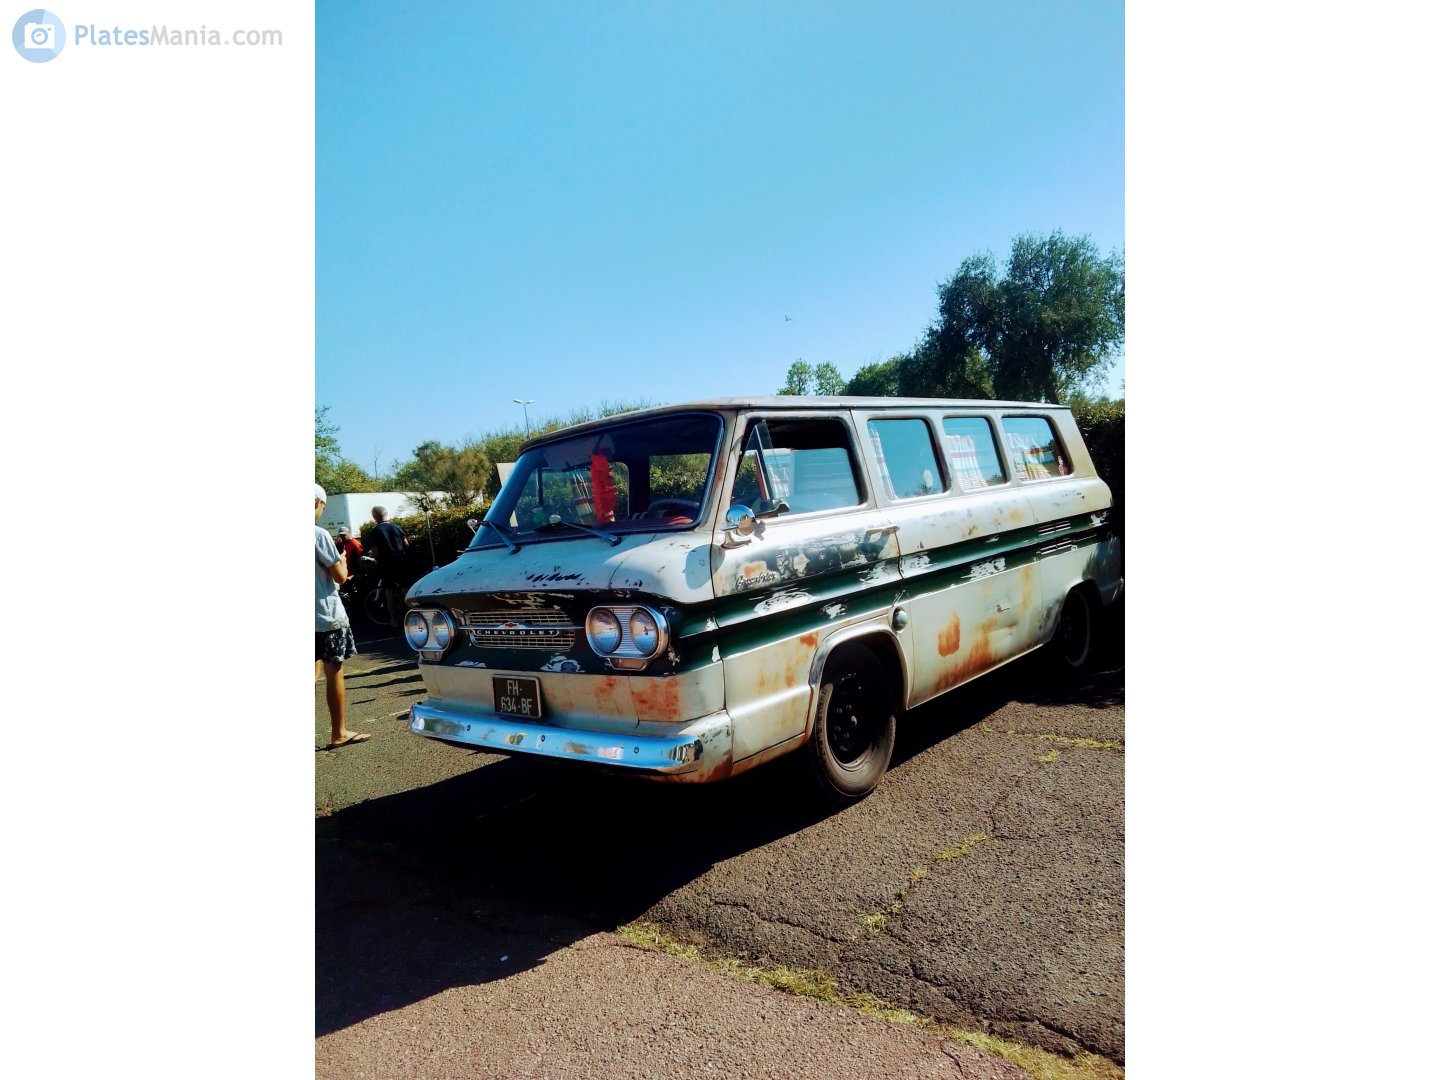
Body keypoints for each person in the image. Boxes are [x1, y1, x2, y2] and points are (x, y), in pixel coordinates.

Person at [316, 484, 370, 749]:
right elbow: (339, 576)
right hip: (324, 614)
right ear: (317, 503)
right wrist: (343, 561)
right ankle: (339, 732)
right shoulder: (317, 535)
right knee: (333, 671)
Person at [364, 505, 410, 627]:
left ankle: (393, 620)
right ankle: (414, 615)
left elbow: (375, 550)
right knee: (405, 589)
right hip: (400, 561)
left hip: (386, 564)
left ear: (374, 517)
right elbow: (406, 544)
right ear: (386, 514)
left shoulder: (375, 532)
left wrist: (374, 557)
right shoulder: (396, 527)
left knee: (388, 592)